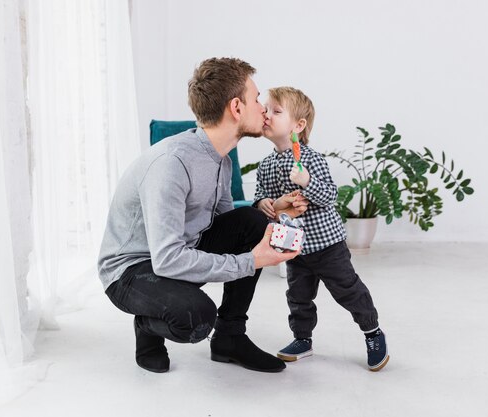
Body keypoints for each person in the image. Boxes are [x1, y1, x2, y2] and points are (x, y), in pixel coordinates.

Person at [98, 58, 308, 374]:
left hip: (178, 249)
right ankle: (148, 326)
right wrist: (253, 261)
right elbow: (167, 259)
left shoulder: (220, 159)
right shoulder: (172, 164)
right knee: (195, 318)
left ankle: (230, 338)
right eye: (255, 100)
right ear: (236, 108)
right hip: (131, 269)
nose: (263, 109)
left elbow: (230, 228)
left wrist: (274, 213)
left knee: (253, 223)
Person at [254, 86, 389, 371]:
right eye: (265, 109)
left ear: (298, 125)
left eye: (276, 111)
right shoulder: (265, 165)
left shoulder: (311, 159)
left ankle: (372, 332)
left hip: (327, 246)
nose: (266, 114)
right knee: (298, 296)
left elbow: (329, 196)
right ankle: (302, 339)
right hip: (294, 248)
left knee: (348, 290)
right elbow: (261, 199)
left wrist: (306, 182)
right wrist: (269, 203)